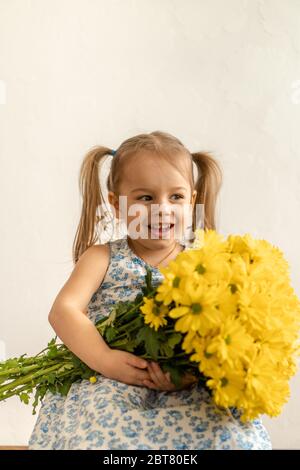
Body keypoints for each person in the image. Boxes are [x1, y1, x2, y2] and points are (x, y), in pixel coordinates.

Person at [28, 131, 272, 450]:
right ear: (116, 204)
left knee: (231, 439)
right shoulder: (102, 258)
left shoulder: (203, 263)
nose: (162, 209)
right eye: (145, 198)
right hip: (111, 382)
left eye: (176, 197)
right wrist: (105, 359)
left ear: (193, 200)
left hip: (187, 385)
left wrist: (190, 375)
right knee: (101, 439)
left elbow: (224, 333)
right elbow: (63, 311)